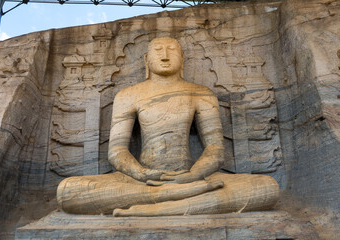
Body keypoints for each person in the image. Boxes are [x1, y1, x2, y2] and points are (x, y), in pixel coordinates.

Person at [57, 37, 279, 216]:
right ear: (146, 59)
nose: (164, 56)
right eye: (158, 50)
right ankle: (176, 198)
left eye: (172, 50)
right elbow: (117, 152)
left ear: (182, 58)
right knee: (68, 191)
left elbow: (215, 151)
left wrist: (192, 176)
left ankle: (156, 205)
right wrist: (142, 173)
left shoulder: (201, 93)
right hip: (140, 181)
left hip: (191, 176)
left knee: (266, 187)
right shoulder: (128, 95)